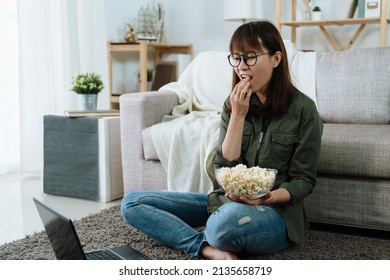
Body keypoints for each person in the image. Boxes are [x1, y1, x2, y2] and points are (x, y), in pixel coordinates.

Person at [121, 21, 323, 260]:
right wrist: (238, 115)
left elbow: (303, 181)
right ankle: (205, 248)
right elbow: (225, 167)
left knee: (221, 227)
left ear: (276, 58)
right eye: (236, 58)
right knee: (132, 203)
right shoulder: (233, 104)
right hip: (225, 201)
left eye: (250, 57)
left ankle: (207, 233)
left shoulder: (305, 111)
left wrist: (266, 196)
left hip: (274, 211)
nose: (241, 67)